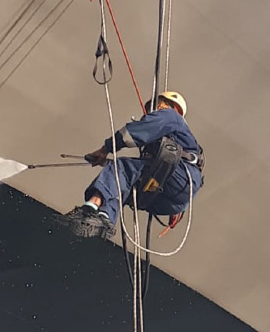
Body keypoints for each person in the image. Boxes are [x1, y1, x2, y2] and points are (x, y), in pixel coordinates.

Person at [67, 91, 204, 238]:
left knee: (121, 168)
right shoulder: (175, 134)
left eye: (158, 104)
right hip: (171, 199)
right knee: (123, 188)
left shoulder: (172, 116)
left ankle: (92, 206)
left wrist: (105, 149)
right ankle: (104, 217)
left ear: (173, 106)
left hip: (179, 174)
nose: (154, 110)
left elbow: (135, 132)